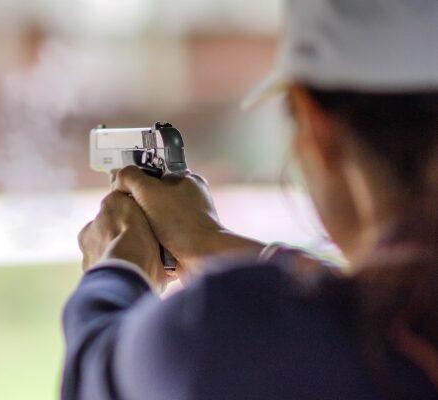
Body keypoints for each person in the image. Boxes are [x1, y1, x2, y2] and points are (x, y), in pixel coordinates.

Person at [61, 1, 438, 399]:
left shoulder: (231, 329)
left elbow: (94, 372)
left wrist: (115, 266)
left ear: (315, 127)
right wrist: (209, 240)